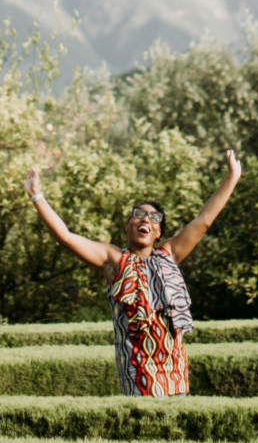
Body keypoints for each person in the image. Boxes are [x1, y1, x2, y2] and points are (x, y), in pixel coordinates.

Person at [22, 150, 242, 396]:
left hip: (176, 373)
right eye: (138, 214)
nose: (145, 218)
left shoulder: (168, 254)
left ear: (158, 232)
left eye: (154, 217)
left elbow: (203, 220)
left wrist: (232, 176)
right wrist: (37, 196)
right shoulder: (114, 260)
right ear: (127, 226)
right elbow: (65, 237)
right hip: (138, 375)